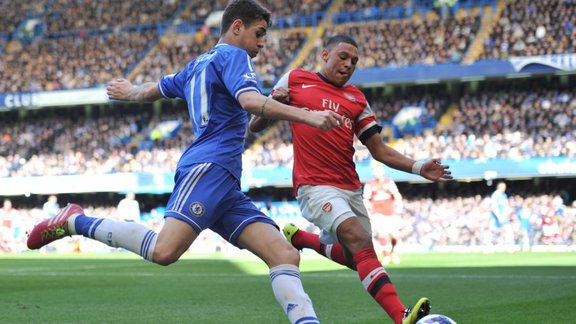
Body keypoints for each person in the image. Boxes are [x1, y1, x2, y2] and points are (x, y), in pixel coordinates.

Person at [26, 1, 343, 323]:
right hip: (209, 167)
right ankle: (73, 221)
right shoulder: (234, 55)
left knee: (284, 253)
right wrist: (309, 116)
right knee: (163, 251)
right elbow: (249, 101)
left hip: (225, 182)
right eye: (259, 33)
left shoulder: (195, 65)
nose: (263, 42)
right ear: (237, 27)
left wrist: (130, 91)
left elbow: (154, 90)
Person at [249, 34, 453, 324]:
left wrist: (420, 167)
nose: (349, 64)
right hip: (314, 185)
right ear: (324, 55)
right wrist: (272, 103)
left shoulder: (357, 98)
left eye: (354, 61)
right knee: (359, 239)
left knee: (359, 254)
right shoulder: (294, 79)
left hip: (350, 188)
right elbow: (255, 125)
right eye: (343, 57)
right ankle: (401, 316)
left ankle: (303, 239)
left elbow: (379, 150)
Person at [364, 163, 403, 265]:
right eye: (375, 171)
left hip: (390, 212)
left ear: (383, 172)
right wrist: (368, 210)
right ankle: (386, 255)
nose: (377, 173)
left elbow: (397, 195)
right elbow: (366, 199)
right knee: (382, 234)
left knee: (395, 235)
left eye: (379, 171)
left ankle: (393, 253)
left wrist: (399, 205)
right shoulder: (369, 184)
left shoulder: (389, 182)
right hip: (377, 213)